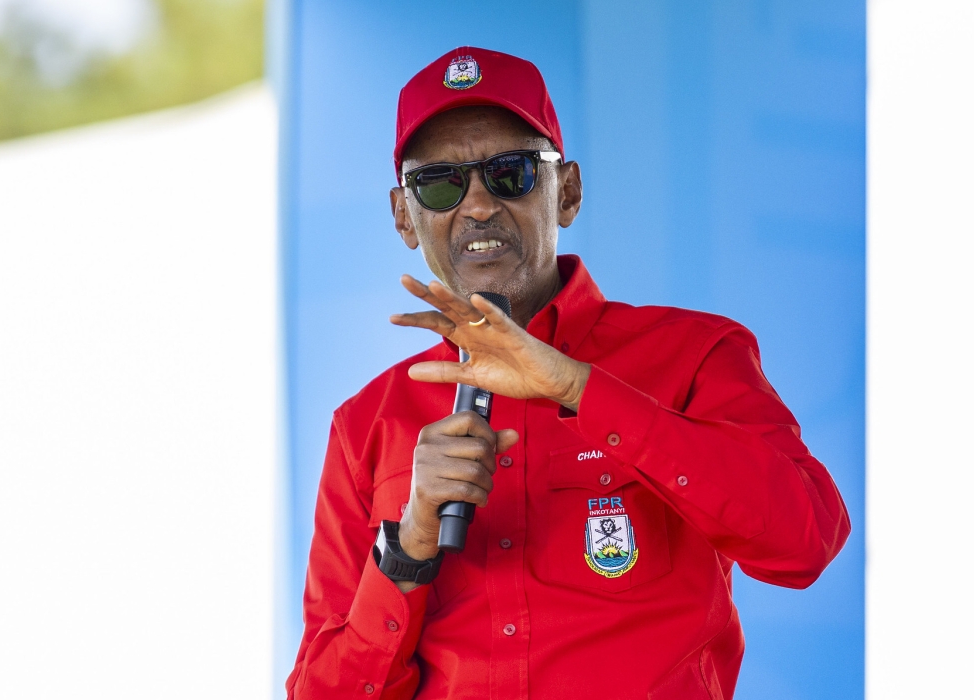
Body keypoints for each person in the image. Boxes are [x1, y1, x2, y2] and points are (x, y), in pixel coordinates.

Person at [286, 47, 850, 700]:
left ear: (568, 191)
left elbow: (805, 541)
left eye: (511, 173)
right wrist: (409, 546)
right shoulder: (366, 425)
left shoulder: (695, 355)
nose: (477, 206)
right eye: (440, 184)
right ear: (403, 216)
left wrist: (579, 388)